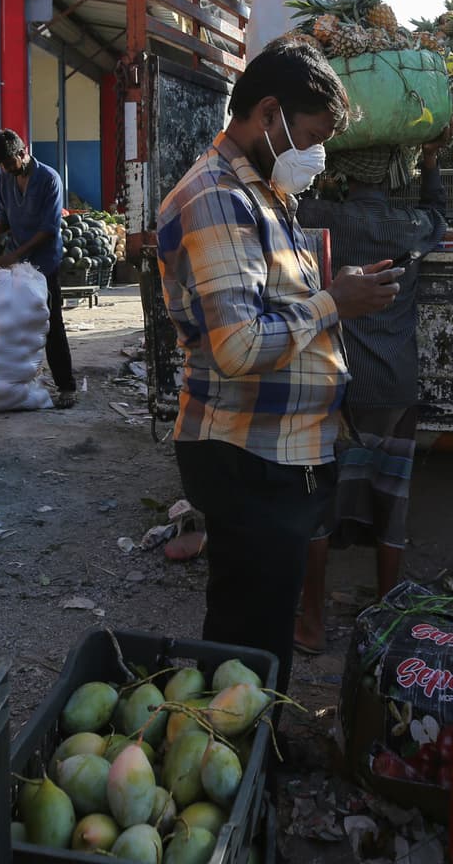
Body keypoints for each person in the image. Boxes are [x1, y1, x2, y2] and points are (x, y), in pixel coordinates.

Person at [156, 37, 401, 685]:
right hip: (243, 457)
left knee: (263, 626)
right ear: (268, 114)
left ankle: (254, 743)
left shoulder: (264, 193)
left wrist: (330, 292)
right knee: (247, 633)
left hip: (274, 454)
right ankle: (237, 754)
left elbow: (277, 302)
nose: (316, 155)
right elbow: (237, 345)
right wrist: (332, 303)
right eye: (310, 135)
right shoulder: (216, 197)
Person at [293, 140, 448, 654]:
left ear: (342, 173)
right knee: (392, 504)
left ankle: (311, 623)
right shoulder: (412, 229)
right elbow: (438, 215)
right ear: (392, 175)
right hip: (396, 388)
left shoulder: (318, 218)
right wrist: (428, 164)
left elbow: (291, 199)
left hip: (336, 386)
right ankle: (388, 621)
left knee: (317, 504)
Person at [0, 129, 76, 407]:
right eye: (2, 165)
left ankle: (66, 386)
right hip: (17, 260)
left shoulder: (49, 179)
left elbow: (49, 229)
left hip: (44, 263)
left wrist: (13, 256)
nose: (6, 169)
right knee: (14, 321)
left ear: (22, 154)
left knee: (52, 324)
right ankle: (25, 380)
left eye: (9, 163)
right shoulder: (7, 176)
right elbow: (5, 212)